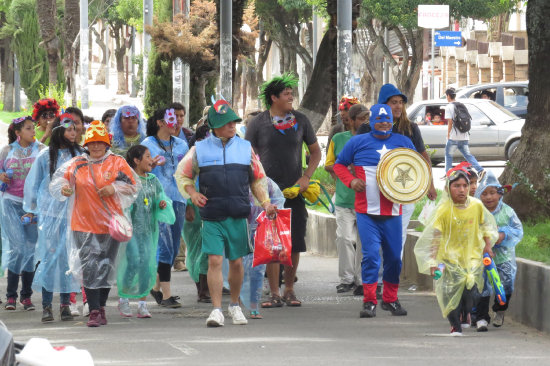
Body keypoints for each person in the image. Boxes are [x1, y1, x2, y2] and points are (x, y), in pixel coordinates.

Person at [175, 100, 277, 327]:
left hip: (239, 214)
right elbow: (182, 175)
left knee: (237, 263)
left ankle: (234, 306)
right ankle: (216, 310)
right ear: (214, 126)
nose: (232, 126)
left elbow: (258, 178)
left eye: (233, 122)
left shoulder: (245, 148)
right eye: (226, 123)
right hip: (211, 215)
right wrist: (192, 194)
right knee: (214, 260)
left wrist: (266, 202)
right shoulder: (199, 149)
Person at [49, 120, 139, 327]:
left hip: (110, 225)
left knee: (106, 268)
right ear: (86, 145)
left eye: (100, 142)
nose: (96, 146)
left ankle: (102, 306)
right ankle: (94, 310)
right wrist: (64, 188)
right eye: (92, 143)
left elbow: (134, 186)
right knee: (90, 267)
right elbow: (60, 181)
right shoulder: (77, 163)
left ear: (107, 143)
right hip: (82, 224)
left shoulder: (117, 162)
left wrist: (115, 188)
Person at [245, 73, 321, 308]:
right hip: (267, 194)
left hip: (294, 190)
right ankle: (274, 292)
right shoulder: (257, 123)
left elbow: (315, 152)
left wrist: (306, 177)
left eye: (291, 93)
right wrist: (255, 185)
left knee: (295, 241)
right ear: (273, 97)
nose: (291, 97)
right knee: (271, 242)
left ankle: (289, 289)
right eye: (286, 94)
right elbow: (248, 155)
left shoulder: (301, 120)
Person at [333, 104, 415, 318]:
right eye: (379, 120)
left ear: (392, 121)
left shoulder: (403, 142)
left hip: (393, 211)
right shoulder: (358, 142)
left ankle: (390, 299)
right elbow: (339, 165)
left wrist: (415, 190)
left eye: (387, 120)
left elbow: (417, 170)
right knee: (370, 257)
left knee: (394, 259)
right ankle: (369, 301)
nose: (384, 123)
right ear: (371, 122)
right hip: (366, 211)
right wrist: (351, 182)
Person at [358, 83, 437, 297]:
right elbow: (355, 157)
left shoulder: (410, 129)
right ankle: (370, 280)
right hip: (374, 194)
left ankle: (387, 281)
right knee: (372, 242)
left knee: (397, 239)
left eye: (401, 102)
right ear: (383, 105)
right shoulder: (367, 128)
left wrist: (429, 183)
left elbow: (422, 156)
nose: (398, 106)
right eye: (394, 102)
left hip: (404, 194)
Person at [414, 166, 498, 336]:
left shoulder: (476, 205)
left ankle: (466, 312)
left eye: (465, 186)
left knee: (471, 294)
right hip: (449, 260)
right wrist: (432, 262)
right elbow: (435, 237)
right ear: (447, 189)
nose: (462, 190)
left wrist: (487, 246)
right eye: (457, 186)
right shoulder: (444, 210)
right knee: (449, 293)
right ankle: (455, 326)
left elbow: (485, 226)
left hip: (472, 258)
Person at [23, 114, 83, 322]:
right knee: (49, 258)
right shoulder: (45, 156)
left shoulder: (81, 156)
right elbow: (33, 185)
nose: (74, 133)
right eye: (69, 129)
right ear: (59, 131)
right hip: (49, 215)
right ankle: (47, 305)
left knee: (69, 258)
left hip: (73, 215)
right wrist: (30, 210)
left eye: (75, 129)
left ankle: (66, 304)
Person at [117, 145, 175, 318]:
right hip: (130, 231)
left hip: (149, 231)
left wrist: (162, 203)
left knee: (146, 265)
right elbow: (119, 203)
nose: (151, 160)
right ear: (136, 160)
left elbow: (160, 198)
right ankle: (124, 299)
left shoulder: (153, 180)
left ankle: (142, 304)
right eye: (148, 156)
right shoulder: (127, 181)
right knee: (134, 261)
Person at [141, 108, 189, 308]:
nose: (177, 121)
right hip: (158, 201)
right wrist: (150, 165)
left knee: (173, 246)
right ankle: (167, 295)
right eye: (172, 118)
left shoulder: (182, 144)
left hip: (179, 199)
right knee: (164, 246)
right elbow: (139, 171)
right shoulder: (148, 144)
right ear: (160, 122)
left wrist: (191, 201)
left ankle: (155, 287)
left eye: (180, 117)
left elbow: (188, 173)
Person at [1, 116, 46, 311]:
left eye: (33, 128)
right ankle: (11, 295)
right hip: (11, 202)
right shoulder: (7, 151)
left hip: (33, 207)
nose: (33, 131)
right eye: (28, 128)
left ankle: (25, 296)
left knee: (29, 249)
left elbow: (48, 175)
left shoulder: (42, 150)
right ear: (18, 133)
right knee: (18, 247)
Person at [325, 104, 368, 295]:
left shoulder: (373, 140)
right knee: (344, 238)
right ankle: (346, 279)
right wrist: (345, 170)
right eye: (361, 118)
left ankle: (360, 279)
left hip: (366, 200)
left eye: (367, 118)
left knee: (363, 242)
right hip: (344, 199)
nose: (365, 122)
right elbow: (329, 165)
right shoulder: (338, 139)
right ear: (350, 120)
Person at [474, 171, 523, 330]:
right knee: (483, 286)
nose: (489, 197)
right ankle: (481, 318)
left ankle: (500, 309)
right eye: (484, 194)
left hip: (504, 257)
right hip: (483, 256)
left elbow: (518, 230)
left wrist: (503, 234)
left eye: (492, 193)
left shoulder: (508, 211)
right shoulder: (477, 211)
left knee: (507, 284)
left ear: (500, 194)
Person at [182, 121, 211, 303]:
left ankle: (205, 289)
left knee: (208, 249)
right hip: (192, 209)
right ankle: (200, 288)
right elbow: (182, 182)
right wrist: (187, 206)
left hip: (212, 207)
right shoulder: (189, 160)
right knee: (195, 249)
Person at [444, 88, 484, 175]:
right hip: (465, 137)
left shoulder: (449, 107)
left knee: (448, 156)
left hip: (454, 137)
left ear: (448, 96)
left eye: (446, 96)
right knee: (468, 155)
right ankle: (480, 170)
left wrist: (448, 135)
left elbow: (450, 122)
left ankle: (448, 174)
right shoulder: (461, 105)